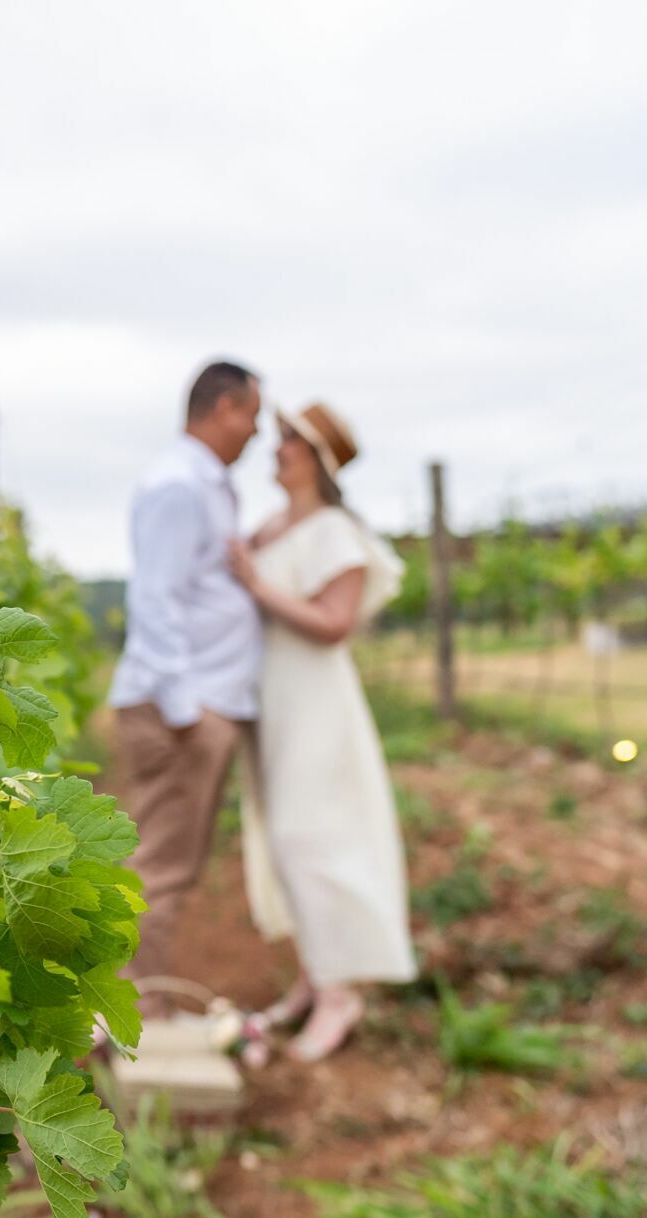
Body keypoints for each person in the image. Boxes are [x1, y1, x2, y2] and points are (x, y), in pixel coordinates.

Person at [227, 402, 416, 1062]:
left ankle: (341, 992)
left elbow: (334, 623)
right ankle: (315, 974)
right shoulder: (272, 526)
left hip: (316, 703)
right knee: (284, 840)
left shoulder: (335, 531)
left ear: (315, 459)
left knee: (309, 836)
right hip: (276, 701)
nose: (276, 450)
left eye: (289, 441)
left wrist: (256, 585)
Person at [108, 359, 263, 1020]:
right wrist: (185, 713)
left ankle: (137, 1008)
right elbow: (156, 600)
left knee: (171, 864)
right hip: (181, 710)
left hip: (198, 703)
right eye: (252, 415)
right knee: (160, 868)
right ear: (224, 408)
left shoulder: (205, 485)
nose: (255, 431)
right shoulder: (179, 485)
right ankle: (134, 1016)